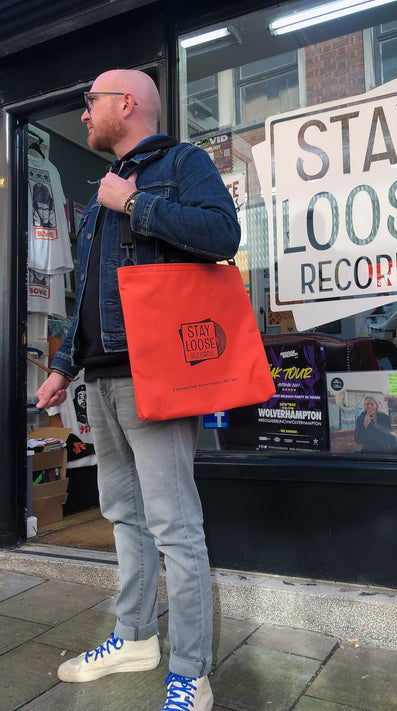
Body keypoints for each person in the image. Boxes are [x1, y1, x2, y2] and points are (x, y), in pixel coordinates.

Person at [36, 69, 240, 711]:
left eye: (89, 100)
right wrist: (65, 364)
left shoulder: (181, 164)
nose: (83, 112)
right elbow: (92, 291)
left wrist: (136, 205)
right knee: (122, 515)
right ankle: (134, 639)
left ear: (127, 104)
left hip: (157, 373)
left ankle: (191, 672)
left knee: (174, 524)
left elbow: (224, 236)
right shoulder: (102, 190)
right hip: (101, 375)